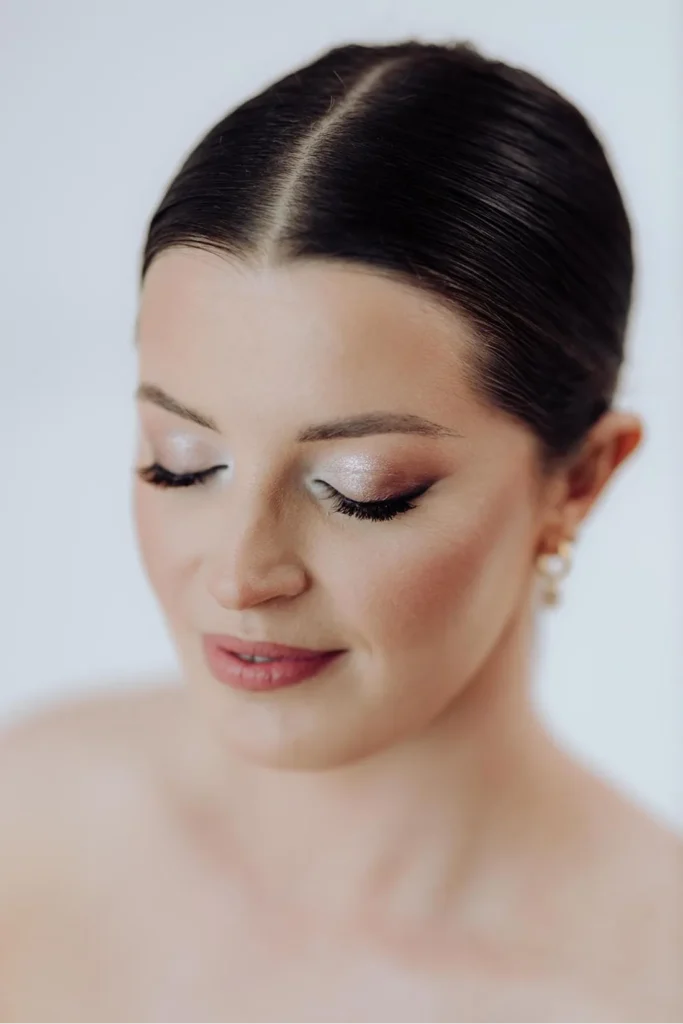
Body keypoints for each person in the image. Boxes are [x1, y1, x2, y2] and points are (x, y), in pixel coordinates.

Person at [0, 37, 681, 1023]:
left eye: (361, 490)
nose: (240, 573)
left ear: (576, 482)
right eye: (181, 461)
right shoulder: (30, 813)